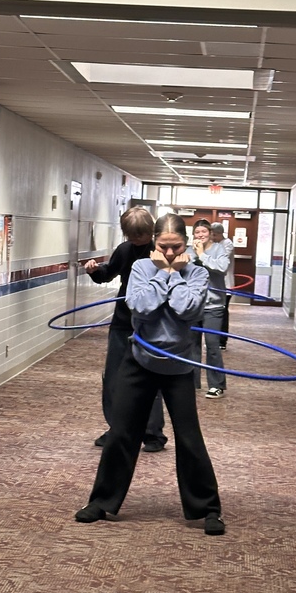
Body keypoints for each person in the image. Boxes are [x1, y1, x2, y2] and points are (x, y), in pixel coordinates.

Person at [75, 213, 225, 536]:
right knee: (121, 433)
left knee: (189, 437)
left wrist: (175, 275)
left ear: (188, 245)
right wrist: (162, 274)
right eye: (163, 247)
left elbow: (187, 309)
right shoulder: (142, 268)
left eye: (177, 247)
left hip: (179, 365)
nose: (170, 253)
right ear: (154, 245)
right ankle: (101, 501)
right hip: (140, 360)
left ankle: (208, 508)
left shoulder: (198, 274)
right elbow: (141, 307)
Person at [84, 207, 167, 453]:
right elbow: (107, 274)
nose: (136, 241)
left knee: (149, 378)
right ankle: (117, 429)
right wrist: (94, 271)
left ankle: (153, 434)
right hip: (122, 322)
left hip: (151, 323)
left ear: (150, 232)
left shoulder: (160, 251)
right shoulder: (124, 249)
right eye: (131, 236)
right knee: (114, 378)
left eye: (140, 236)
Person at [189, 219, 230, 398]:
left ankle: (216, 385)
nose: (200, 236)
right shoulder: (188, 251)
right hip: (193, 305)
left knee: (213, 345)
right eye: (197, 233)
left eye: (203, 232)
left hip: (213, 305)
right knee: (192, 345)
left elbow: (222, 268)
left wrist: (202, 255)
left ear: (210, 233)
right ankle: (191, 382)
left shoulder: (219, 249)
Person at [210, 222, 235, 349]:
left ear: (220, 234)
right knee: (214, 312)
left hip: (226, 285)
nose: (212, 237)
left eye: (214, 235)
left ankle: (222, 341)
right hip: (214, 284)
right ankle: (214, 339)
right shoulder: (213, 244)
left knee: (222, 312)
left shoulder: (227, 244)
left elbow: (221, 262)